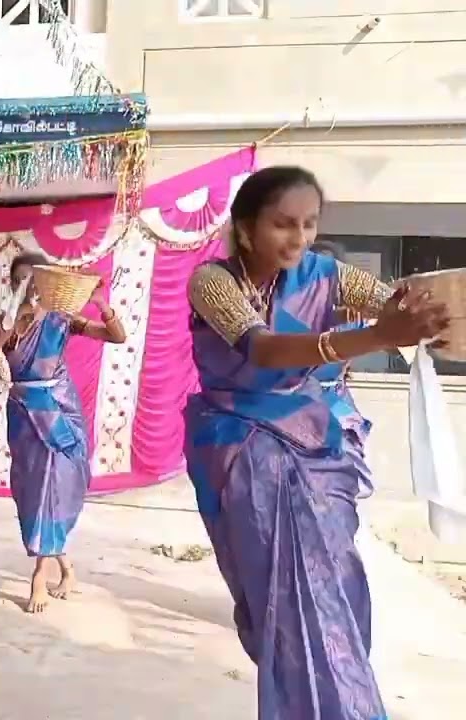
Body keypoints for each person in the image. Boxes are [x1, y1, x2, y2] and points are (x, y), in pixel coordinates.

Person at [184, 166, 448, 719]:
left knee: (333, 585)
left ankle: (341, 697)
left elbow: (390, 301)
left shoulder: (326, 275)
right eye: (283, 224)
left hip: (316, 445)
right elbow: (262, 349)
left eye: (309, 224)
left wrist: (422, 314)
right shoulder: (212, 281)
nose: (299, 238)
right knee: (279, 600)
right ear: (246, 228)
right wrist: (378, 336)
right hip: (242, 447)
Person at [0, 253, 126, 613]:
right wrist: (14, 312)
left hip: (61, 412)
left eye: (34, 280)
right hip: (25, 414)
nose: (30, 287)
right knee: (33, 492)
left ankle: (38, 577)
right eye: (22, 280)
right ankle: (67, 569)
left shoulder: (61, 318)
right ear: (13, 283)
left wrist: (100, 304)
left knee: (55, 487)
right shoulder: (4, 322)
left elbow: (116, 336)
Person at [310, 240, 376, 499]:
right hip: (296, 402)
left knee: (354, 478)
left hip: (334, 399)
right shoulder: (287, 315)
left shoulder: (354, 317)